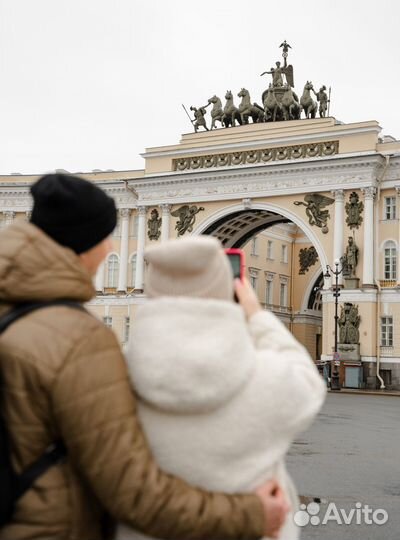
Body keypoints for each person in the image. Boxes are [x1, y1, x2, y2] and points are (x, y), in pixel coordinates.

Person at [0, 174, 289, 540]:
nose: (108, 249)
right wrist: (249, 514)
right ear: (85, 244)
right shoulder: (78, 339)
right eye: (104, 237)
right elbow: (131, 488)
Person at [121, 236, 327, 540]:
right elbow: (308, 384)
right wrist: (256, 316)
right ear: (231, 288)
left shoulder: (115, 374)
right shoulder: (263, 374)